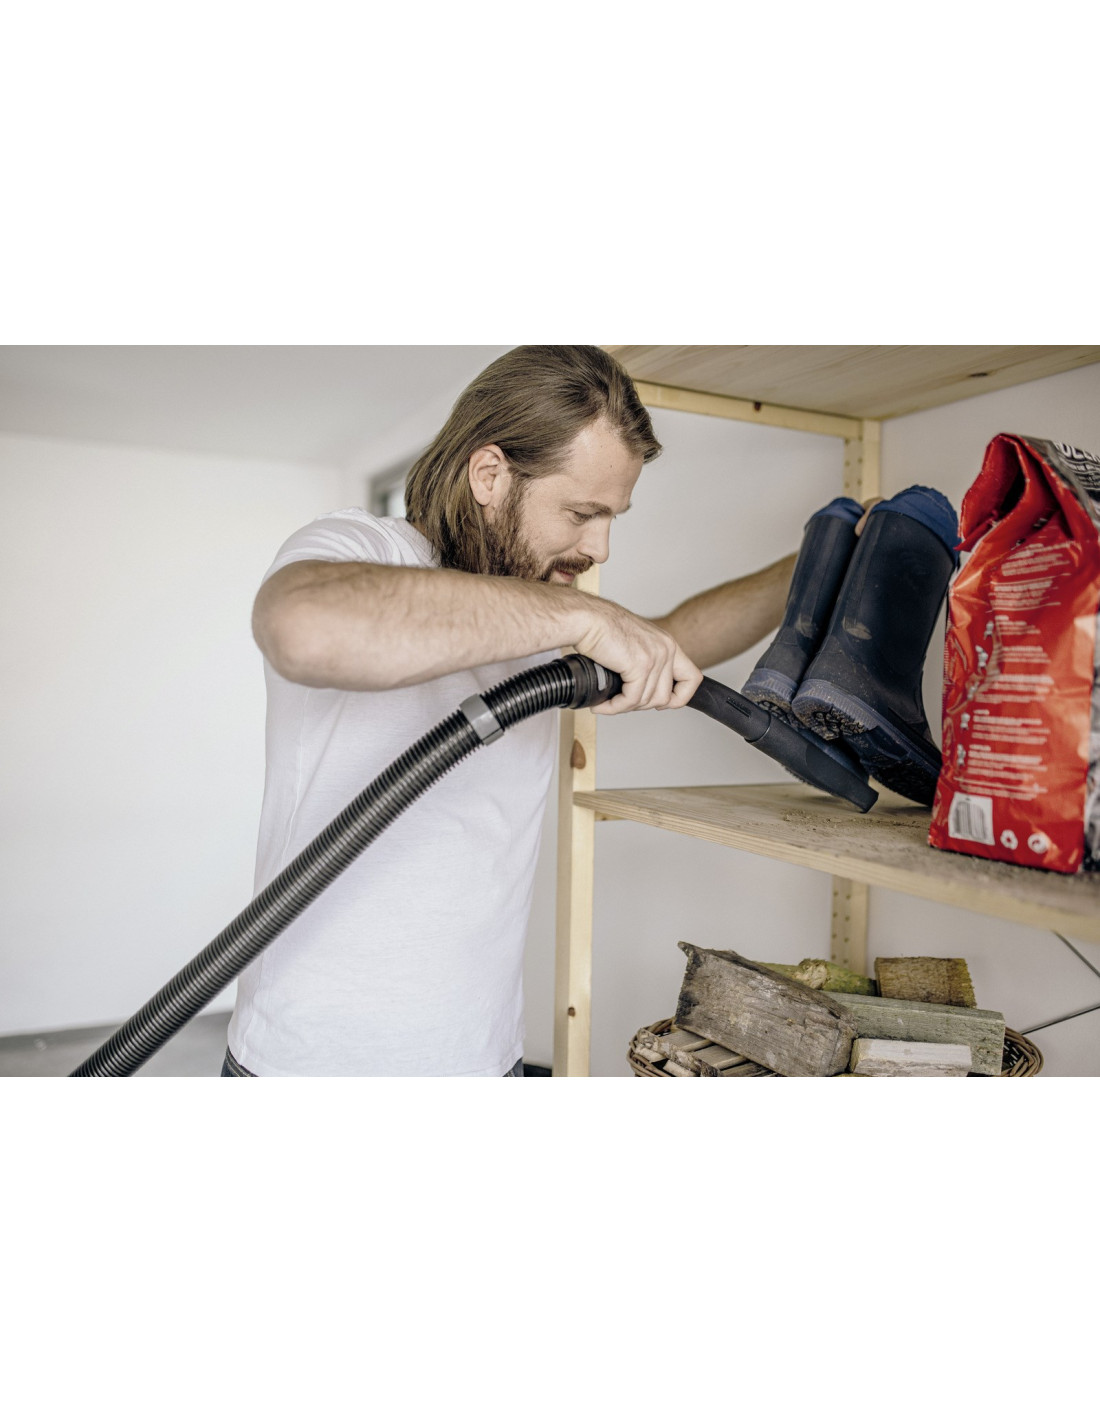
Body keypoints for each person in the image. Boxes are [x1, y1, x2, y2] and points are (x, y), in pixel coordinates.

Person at [223, 346, 801, 1077]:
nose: (599, 548)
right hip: (305, 1064)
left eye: (612, 517)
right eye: (582, 513)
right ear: (490, 475)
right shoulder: (364, 547)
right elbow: (303, 628)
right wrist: (580, 616)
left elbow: (668, 643)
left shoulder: (542, 610)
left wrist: (811, 566)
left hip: (481, 1058)